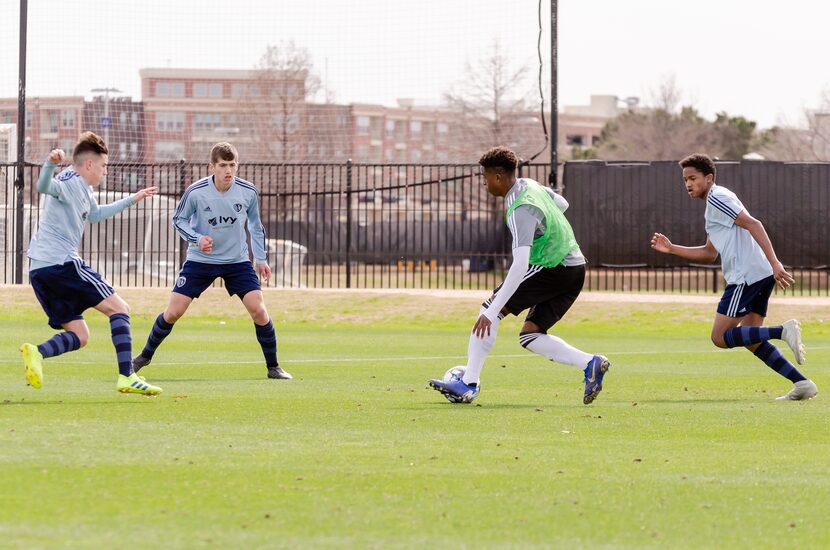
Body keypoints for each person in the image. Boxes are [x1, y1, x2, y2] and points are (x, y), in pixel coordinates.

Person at [429, 146, 610, 404]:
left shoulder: (519, 209)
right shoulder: (529, 185)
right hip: (575, 267)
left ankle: (468, 383)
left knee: (488, 309)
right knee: (531, 335)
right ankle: (590, 363)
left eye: (485, 178)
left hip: (553, 268)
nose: (484, 184)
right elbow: (563, 203)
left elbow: (520, 265)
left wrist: (493, 311)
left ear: (499, 177)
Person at [651, 153, 816, 400]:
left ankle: (781, 331)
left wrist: (775, 262)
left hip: (746, 276)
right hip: (757, 274)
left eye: (693, 178)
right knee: (750, 339)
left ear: (708, 178)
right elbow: (709, 253)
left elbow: (754, 224)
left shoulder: (718, 198)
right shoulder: (713, 206)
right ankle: (803, 384)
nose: (688, 184)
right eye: (685, 179)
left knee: (720, 337)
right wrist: (673, 248)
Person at [131, 142, 291, 380]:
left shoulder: (248, 191)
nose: (228, 170)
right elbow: (178, 220)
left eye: (232, 165)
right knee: (174, 312)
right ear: (212, 166)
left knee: (258, 310)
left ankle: (273, 367)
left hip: (236, 261)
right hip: (201, 260)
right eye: (223, 165)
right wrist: (197, 239)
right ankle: (142, 358)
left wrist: (261, 258)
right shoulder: (196, 192)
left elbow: (256, 226)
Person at [19, 132, 162, 396]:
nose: (105, 171)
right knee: (120, 308)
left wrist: (134, 198)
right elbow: (43, 186)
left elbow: (95, 215)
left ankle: (37, 352)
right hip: (61, 263)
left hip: (40, 269)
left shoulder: (83, 188)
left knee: (80, 335)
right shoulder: (69, 181)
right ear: (89, 165)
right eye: (104, 166)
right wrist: (50, 163)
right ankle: (127, 375)